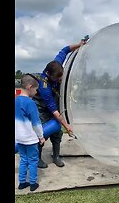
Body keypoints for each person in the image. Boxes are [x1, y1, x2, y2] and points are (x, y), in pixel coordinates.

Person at [31, 40, 86, 168]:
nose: (60, 80)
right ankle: (38, 159)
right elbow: (54, 110)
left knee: (57, 133)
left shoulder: (56, 65)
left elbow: (65, 50)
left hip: (53, 106)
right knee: (42, 133)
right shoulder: (44, 87)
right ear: (49, 75)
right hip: (41, 108)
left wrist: (80, 44)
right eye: (57, 79)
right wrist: (67, 126)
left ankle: (56, 156)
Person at [15, 75, 46, 191]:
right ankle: (33, 184)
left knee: (23, 159)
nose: (36, 92)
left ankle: (22, 182)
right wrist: (41, 137)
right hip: (30, 139)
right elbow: (36, 123)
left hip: (19, 138)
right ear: (30, 87)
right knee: (33, 160)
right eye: (36, 89)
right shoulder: (30, 103)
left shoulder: (16, 100)